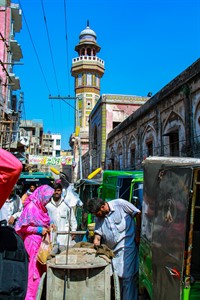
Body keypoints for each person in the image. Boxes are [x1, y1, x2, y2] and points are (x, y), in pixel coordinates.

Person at [87, 197, 141, 300]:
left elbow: (138, 213)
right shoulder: (98, 218)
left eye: (97, 213)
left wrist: (138, 233)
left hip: (127, 248)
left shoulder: (120, 204)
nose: (97, 216)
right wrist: (96, 243)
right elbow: (98, 235)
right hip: (112, 253)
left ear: (103, 207)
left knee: (127, 278)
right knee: (116, 279)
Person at [15, 184, 54, 300]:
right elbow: (21, 227)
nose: (49, 201)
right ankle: (29, 297)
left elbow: (43, 221)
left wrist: (49, 225)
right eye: (48, 198)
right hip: (32, 243)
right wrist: (39, 229)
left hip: (41, 243)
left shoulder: (41, 207)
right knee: (32, 272)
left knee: (40, 270)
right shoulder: (31, 207)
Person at [46, 182, 77, 253]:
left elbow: (72, 219)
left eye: (58, 190)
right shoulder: (47, 205)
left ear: (61, 191)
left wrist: (73, 231)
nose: (56, 192)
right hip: (51, 235)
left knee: (64, 256)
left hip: (64, 235)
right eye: (54, 190)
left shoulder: (66, 204)